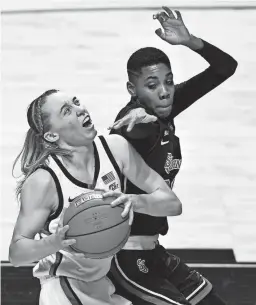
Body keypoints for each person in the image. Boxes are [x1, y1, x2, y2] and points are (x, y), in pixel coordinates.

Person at [109, 6, 238, 305]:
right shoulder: (133, 122)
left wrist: (190, 41)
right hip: (124, 254)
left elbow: (225, 68)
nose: (165, 91)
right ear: (133, 89)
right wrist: (139, 115)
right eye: (152, 86)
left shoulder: (166, 104)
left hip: (153, 250)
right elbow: (132, 129)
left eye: (168, 81)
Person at [9, 89, 182, 305]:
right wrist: (53, 242)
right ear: (52, 135)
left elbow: (173, 205)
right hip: (63, 288)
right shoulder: (44, 181)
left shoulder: (115, 148)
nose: (80, 110)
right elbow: (16, 253)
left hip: (102, 284)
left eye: (76, 102)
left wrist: (135, 201)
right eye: (67, 111)